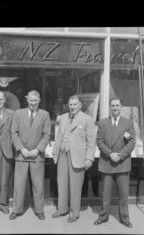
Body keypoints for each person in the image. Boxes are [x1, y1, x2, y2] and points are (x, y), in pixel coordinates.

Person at [52, 95, 96, 223]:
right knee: (62, 184)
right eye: (70, 104)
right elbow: (59, 136)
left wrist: (89, 158)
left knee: (75, 187)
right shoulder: (64, 117)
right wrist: (56, 152)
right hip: (62, 154)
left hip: (78, 157)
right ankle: (62, 210)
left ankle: (74, 213)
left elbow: (91, 141)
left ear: (80, 105)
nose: (72, 107)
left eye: (74, 104)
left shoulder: (87, 119)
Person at [94, 97, 135, 228]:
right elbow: (99, 141)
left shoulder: (128, 123)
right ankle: (103, 216)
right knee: (105, 194)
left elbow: (132, 142)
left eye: (117, 105)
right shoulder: (102, 123)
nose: (115, 108)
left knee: (123, 194)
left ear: (121, 107)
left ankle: (124, 218)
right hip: (107, 162)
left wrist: (120, 155)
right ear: (110, 108)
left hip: (122, 163)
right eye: (113, 106)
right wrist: (110, 153)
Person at [10, 90, 51, 220]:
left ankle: (39, 210)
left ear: (39, 100)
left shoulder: (45, 114)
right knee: (19, 184)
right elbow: (14, 133)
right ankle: (16, 210)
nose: (33, 103)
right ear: (27, 99)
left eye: (35, 100)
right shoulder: (18, 113)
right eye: (31, 100)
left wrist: (38, 150)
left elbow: (47, 135)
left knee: (38, 185)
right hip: (21, 155)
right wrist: (21, 149)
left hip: (36, 156)